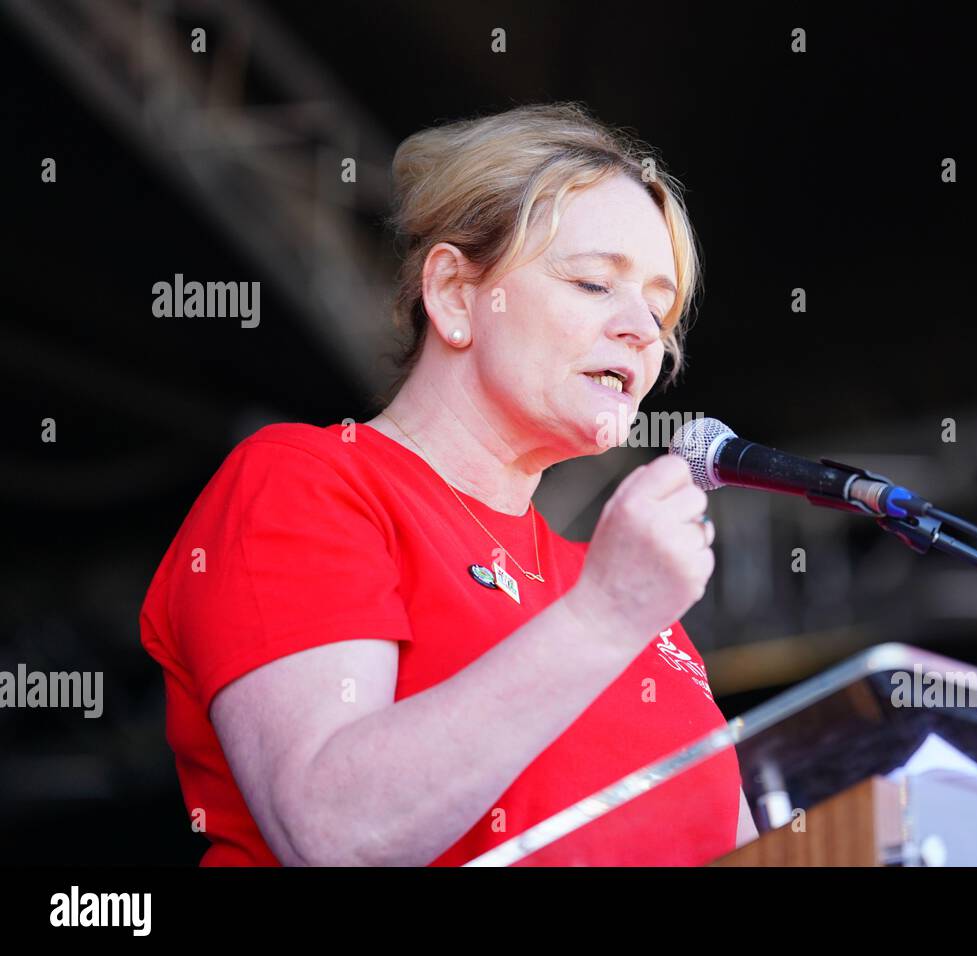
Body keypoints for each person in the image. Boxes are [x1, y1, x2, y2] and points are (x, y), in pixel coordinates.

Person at [139, 101, 760, 865]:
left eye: (661, 310)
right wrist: (602, 618)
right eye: (597, 283)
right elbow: (334, 833)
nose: (642, 329)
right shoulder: (309, 479)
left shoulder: (620, 591)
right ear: (456, 295)